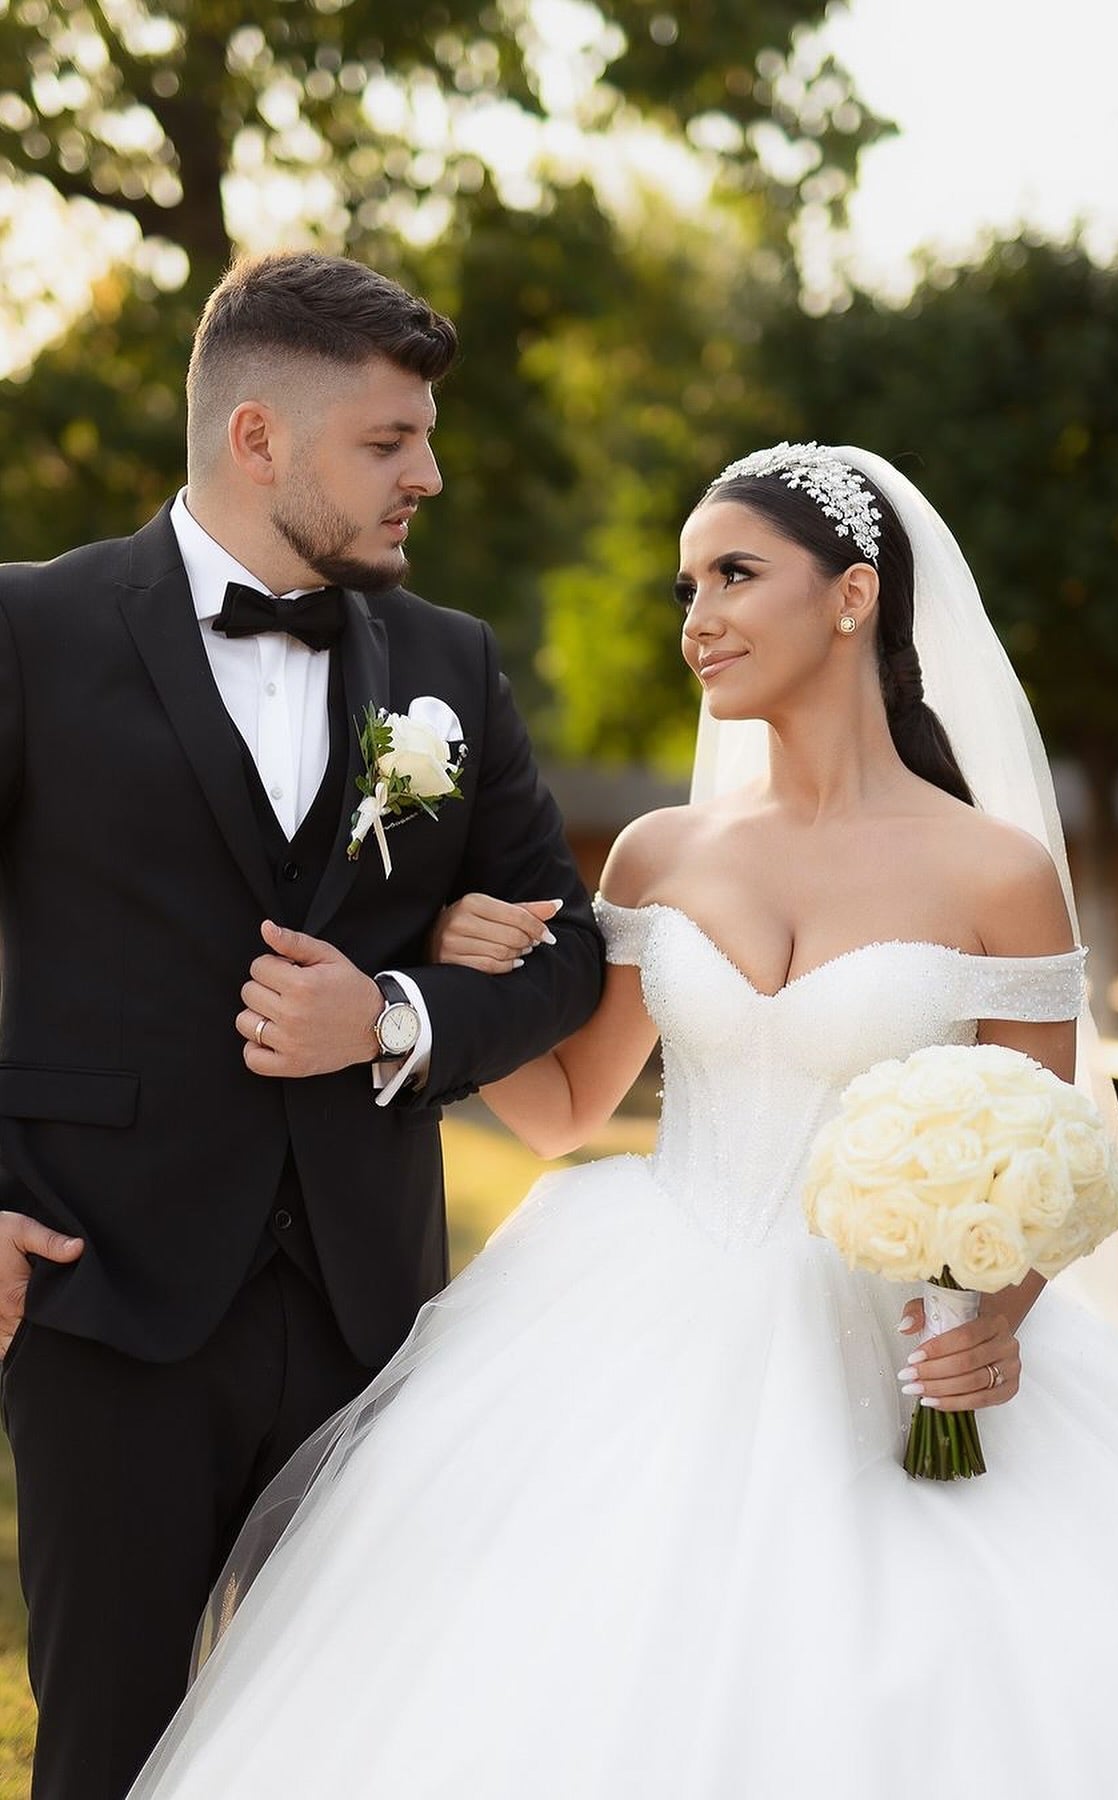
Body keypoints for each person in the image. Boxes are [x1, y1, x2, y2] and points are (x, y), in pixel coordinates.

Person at [129, 444, 1118, 1799]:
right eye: (684, 584)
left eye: (735, 576)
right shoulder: (658, 852)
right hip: (629, 1320)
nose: (696, 618)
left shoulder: (994, 873)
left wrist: (995, 1323)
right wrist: (453, 1001)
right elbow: (566, 1107)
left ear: (855, 595)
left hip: (885, 1352)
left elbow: (1045, 1162)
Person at [0, 249, 604, 1800]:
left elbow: (567, 955)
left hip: (370, 1317)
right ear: (257, 437)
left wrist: (394, 1014)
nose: (430, 473)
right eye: (388, 442)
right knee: (107, 1752)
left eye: (426, 437)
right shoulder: (28, 629)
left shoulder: (449, 663)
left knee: (358, 1755)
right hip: (102, 1297)